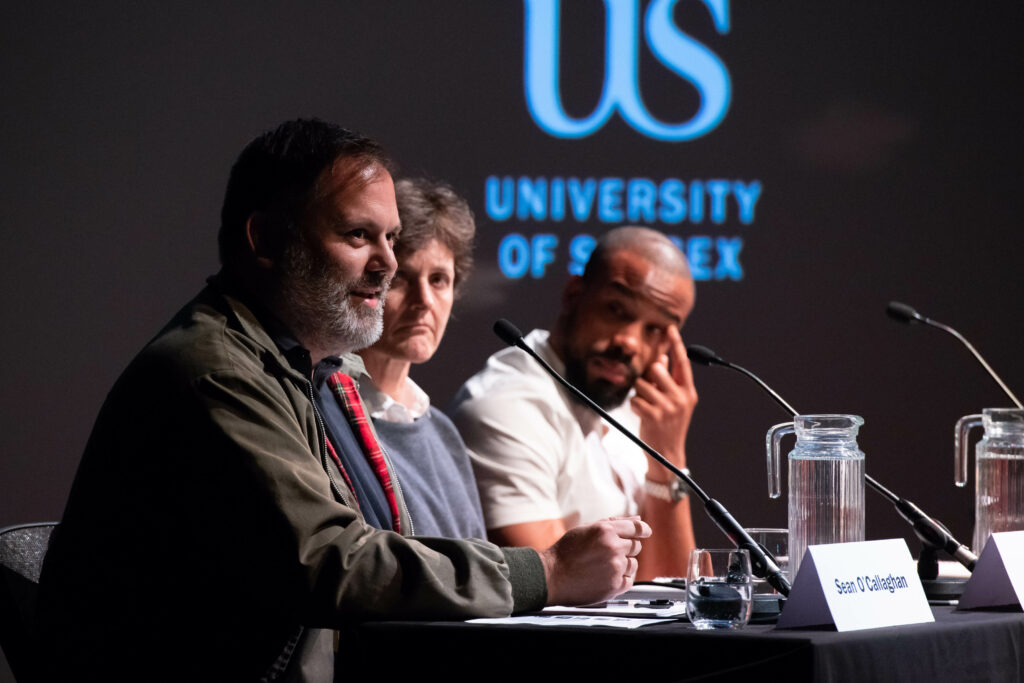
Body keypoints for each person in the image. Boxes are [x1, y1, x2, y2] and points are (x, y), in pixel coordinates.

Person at [35, 119, 652, 682]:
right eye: (359, 235)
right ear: (268, 240)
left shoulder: (302, 369)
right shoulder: (215, 372)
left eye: (390, 238)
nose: (386, 264)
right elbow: (332, 563)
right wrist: (546, 572)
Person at [451, 226, 698, 579]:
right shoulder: (505, 407)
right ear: (573, 294)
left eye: (655, 330)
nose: (629, 342)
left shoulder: (630, 403)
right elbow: (552, 587)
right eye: (616, 309)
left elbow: (674, 589)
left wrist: (668, 460)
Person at [356, 177, 486, 540]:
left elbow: (482, 570)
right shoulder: (330, 418)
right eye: (402, 279)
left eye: (439, 280)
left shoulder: (443, 433)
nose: (424, 300)